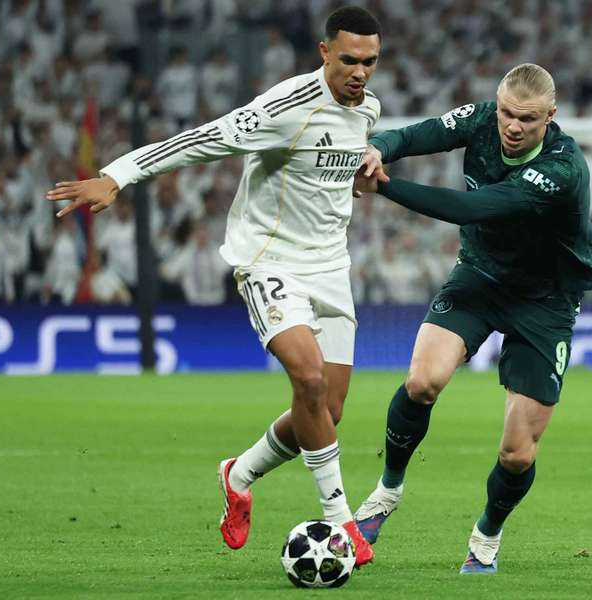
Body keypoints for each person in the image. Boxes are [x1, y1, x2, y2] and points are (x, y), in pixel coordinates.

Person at [45, 6, 382, 567]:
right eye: (348, 59)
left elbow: (331, 170)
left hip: (331, 268)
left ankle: (239, 472)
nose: (360, 72)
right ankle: (342, 521)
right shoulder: (284, 107)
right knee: (309, 378)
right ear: (324, 52)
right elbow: (200, 140)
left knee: (326, 411)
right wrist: (116, 175)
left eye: (370, 61)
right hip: (269, 261)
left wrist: (362, 175)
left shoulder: (367, 108)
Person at [351, 63, 592, 574]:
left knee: (517, 453)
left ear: (549, 117)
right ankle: (386, 492)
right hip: (481, 277)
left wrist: (383, 186)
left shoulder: (561, 168)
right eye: (508, 113)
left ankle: (486, 534)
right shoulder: (485, 120)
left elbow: (472, 209)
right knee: (422, 381)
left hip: (546, 301)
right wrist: (380, 146)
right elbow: (420, 133)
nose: (513, 127)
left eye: (528, 120)